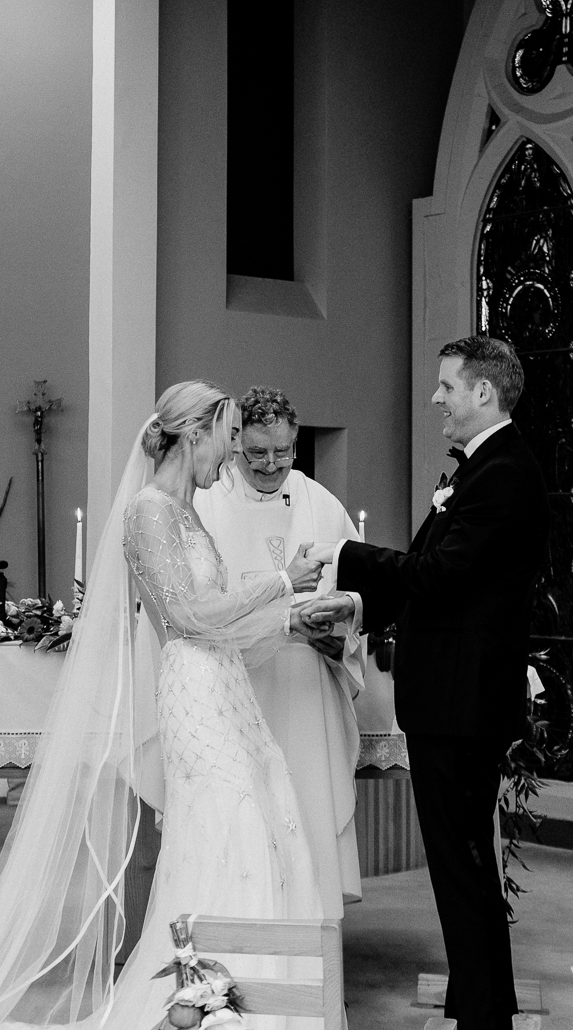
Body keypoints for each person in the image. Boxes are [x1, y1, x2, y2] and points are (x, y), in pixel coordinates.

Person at [0, 380, 335, 1030]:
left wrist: (288, 615)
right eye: (225, 441)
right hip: (196, 697)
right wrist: (279, 582)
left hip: (229, 690)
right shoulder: (149, 511)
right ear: (194, 435)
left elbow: (217, 624)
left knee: (254, 831)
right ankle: (210, 1003)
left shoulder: (185, 513)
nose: (232, 458)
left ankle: (246, 999)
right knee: (221, 834)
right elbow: (187, 617)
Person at [302, 336, 548, 1030]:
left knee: (463, 870)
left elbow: (438, 575)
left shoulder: (503, 473)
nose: (436, 398)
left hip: (461, 703)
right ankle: (480, 1004)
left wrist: (347, 553)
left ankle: (482, 1015)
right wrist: (356, 605)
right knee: (459, 871)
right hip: (449, 699)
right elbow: (427, 578)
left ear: (483, 393)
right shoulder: (481, 469)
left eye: (446, 386)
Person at [193, 384, 366, 916]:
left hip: (304, 684)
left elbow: (355, 596)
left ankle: (312, 929)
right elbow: (198, 607)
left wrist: (337, 629)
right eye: (257, 452)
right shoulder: (207, 504)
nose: (270, 464)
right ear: (237, 440)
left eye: (283, 452)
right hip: (240, 682)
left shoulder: (322, 503)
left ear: (296, 443)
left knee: (308, 802)